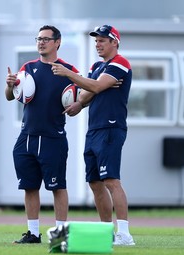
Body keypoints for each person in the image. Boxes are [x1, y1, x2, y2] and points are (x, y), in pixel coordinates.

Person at [49, 24, 135, 246]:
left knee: (111, 180)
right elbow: (88, 91)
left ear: (114, 42)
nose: (97, 44)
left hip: (111, 127)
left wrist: (70, 74)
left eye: (102, 40)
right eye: (96, 40)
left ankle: (125, 233)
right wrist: (79, 102)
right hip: (94, 128)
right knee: (95, 183)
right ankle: (108, 232)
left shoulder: (120, 63)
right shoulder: (98, 66)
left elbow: (94, 87)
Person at [5, 25, 82, 244]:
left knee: (58, 187)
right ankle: (33, 233)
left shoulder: (68, 70)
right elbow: (11, 97)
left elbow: (86, 92)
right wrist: (10, 85)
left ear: (57, 42)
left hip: (53, 137)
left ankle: (60, 236)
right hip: (27, 136)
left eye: (46, 39)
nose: (41, 42)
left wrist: (79, 104)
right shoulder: (27, 67)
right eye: (38, 39)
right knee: (29, 186)